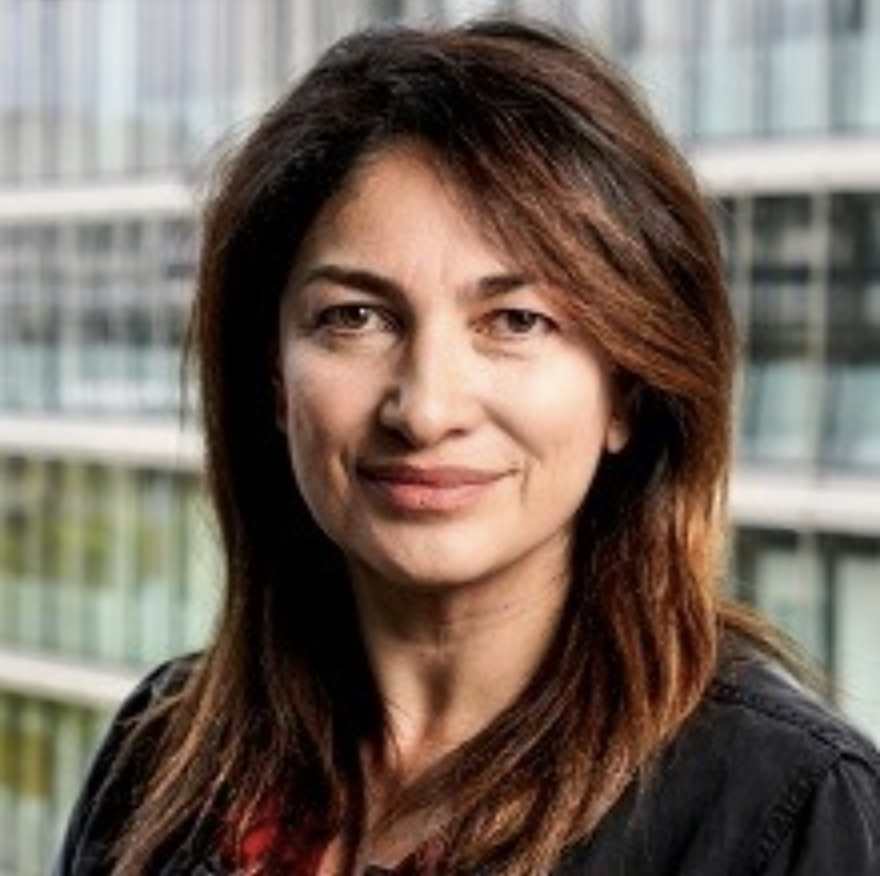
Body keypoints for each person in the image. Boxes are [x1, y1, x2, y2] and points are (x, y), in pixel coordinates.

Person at [54, 16, 880, 876]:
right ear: (272, 374)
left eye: (517, 321)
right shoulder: (166, 752)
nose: (426, 408)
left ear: (627, 390)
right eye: (355, 317)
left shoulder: (790, 809)